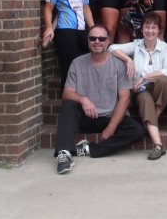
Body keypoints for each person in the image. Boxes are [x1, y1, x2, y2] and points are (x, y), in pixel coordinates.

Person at [54, 24, 144, 174]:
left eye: (101, 38)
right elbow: (66, 93)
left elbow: (124, 99)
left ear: (108, 42)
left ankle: (89, 149)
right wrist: (83, 100)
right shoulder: (77, 63)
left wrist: (111, 128)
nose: (97, 41)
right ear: (88, 41)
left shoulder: (119, 65)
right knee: (69, 105)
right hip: (86, 116)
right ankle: (64, 154)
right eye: (93, 38)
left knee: (137, 131)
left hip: (109, 117)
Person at [108, 12, 167, 160]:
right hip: (141, 90)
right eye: (147, 27)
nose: (150, 31)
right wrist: (128, 60)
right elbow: (111, 48)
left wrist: (144, 77)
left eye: (153, 27)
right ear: (142, 29)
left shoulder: (166, 47)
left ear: (159, 30)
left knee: (164, 80)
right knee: (144, 100)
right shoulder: (136, 45)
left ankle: (152, 120)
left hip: (159, 87)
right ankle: (158, 145)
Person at [43, 0, 94, 94]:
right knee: (69, 68)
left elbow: (86, 7)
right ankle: (66, 102)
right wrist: (48, 27)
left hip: (81, 28)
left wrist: (93, 29)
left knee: (97, 53)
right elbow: (48, 8)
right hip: (65, 29)